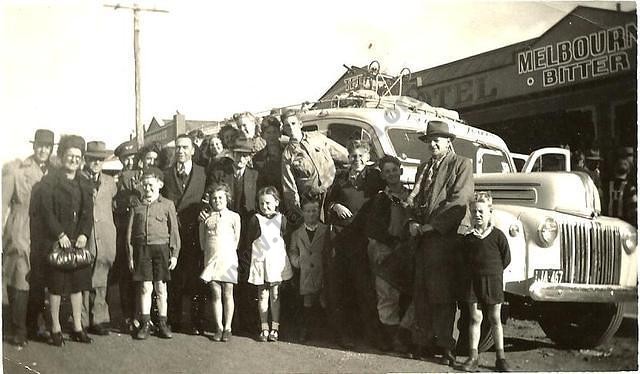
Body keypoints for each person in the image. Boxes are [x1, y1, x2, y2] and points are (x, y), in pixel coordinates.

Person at [407, 120, 474, 366]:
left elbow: (460, 201)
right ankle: (421, 343)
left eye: (438, 139)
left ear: (448, 142)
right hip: (422, 239)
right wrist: (412, 221)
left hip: (446, 239)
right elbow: (414, 201)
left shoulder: (461, 165)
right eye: (430, 140)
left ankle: (447, 348)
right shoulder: (423, 168)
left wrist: (433, 226)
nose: (433, 143)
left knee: (443, 295)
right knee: (421, 292)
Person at [324, 139, 386, 349]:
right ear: (348, 158)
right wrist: (336, 205)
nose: (357, 159)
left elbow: (388, 195)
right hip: (341, 238)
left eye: (361, 156)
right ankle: (344, 335)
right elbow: (328, 201)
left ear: (368, 157)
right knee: (341, 285)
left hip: (363, 238)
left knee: (365, 287)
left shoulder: (375, 176)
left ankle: (373, 335)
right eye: (353, 156)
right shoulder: (341, 176)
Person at [40, 135, 94, 346]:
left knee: (77, 286)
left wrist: (83, 234)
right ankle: (55, 328)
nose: (73, 160)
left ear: (81, 160)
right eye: (69, 155)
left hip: (77, 242)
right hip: (56, 241)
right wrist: (60, 235)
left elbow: (87, 212)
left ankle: (78, 327)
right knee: (55, 286)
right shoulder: (49, 182)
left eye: (77, 156)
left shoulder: (84, 182)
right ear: (61, 156)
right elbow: (46, 212)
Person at [2, 129, 54, 346]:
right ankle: (18, 329)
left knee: (39, 279)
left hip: (44, 232)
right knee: (20, 277)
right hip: (20, 226)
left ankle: (35, 326)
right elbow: (2, 203)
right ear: (34, 147)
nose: (43, 150)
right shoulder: (16, 170)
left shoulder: (56, 172)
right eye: (40, 145)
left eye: (47, 146)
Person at [459, 192, 511, 372]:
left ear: (490, 212)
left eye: (481, 211)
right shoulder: (468, 239)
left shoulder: (498, 236)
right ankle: (473, 357)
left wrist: (493, 273)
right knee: (475, 317)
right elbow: (463, 261)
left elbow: (506, 258)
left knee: (495, 317)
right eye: (473, 212)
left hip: (493, 281)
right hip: (473, 283)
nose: (477, 215)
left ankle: (501, 358)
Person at [126, 167, 181, 340]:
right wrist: (130, 256)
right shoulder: (137, 206)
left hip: (162, 250)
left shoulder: (167, 205)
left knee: (161, 287)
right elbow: (129, 235)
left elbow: (174, 232)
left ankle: (163, 323)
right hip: (143, 250)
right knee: (145, 287)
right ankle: (145, 323)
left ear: (160, 185)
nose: (147, 189)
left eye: (151, 185)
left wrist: (174, 254)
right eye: (145, 185)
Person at [366, 154, 413, 352]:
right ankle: (390, 339)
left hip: (407, 251)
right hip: (386, 251)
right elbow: (374, 228)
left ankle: (406, 335)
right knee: (387, 296)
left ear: (400, 171)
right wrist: (390, 244)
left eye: (394, 170)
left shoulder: (412, 196)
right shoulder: (380, 198)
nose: (392, 174)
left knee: (411, 293)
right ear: (383, 176)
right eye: (387, 171)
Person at [161, 134, 207, 335]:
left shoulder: (203, 173)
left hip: (194, 232)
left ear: (193, 150)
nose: (180, 151)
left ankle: (197, 321)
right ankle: (174, 319)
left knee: (196, 278)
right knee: (174, 277)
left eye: (185, 147)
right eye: (178, 147)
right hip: (173, 233)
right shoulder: (165, 174)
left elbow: (207, 198)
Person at [280, 109, 348, 225]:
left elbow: (342, 153)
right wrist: (300, 214)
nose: (291, 127)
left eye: (293, 123)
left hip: (332, 194)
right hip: (312, 200)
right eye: (287, 125)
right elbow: (289, 188)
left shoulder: (317, 138)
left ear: (300, 124)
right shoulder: (287, 155)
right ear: (284, 129)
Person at [245, 186, 293, 342]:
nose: (264, 207)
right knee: (262, 295)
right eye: (261, 203)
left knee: (275, 295)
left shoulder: (282, 219)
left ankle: (275, 328)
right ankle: (264, 327)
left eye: (268, 203)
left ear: (277, 203)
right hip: (261, 263)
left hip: (276, 263)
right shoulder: (255, 219)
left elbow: (285, 238)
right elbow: (249, 241)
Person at [80, 141, 118, 336]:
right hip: (85, 235)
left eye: (99, 160)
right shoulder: (79, 179)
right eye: (92, 159)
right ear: (86, 160)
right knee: (84, 276)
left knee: (101, 276)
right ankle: (83, 320)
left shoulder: (110, 182)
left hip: (105, 235)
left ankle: (100, 319)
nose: (96, 163)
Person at [199, 183, 241, 342]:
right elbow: (202, 241)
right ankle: (219, 327)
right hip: (211, 258)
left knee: (228, 292)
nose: (217, 201)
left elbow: (236, 239)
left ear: (227, 199)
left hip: (228, 258)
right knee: (215, 293)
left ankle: (228, 327)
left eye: (221, 197)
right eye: (214, 198)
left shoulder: (234, 217)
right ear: (210, 200)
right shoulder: (206, 218)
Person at [288, 198, 329, 343]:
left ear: (318, 212)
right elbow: (292, 250)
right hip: (305, 272)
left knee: (323, 299)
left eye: (314, 211)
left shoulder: (326, 230)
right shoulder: (297, 233)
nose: (311, 214)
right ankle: (305, 330)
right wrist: (297, 261)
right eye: (307, 211)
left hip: (321, 270)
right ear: (303, 213)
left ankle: (323, 332)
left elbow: (330, 250)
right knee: (307, 300)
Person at [111, 140, 142, 333]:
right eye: (125, 159)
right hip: (124, 230)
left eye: (132, 158)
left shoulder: (143, 176)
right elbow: (113, 205)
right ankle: (128, 315)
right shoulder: (117, 180)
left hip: (143, 230)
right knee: (125, 274)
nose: (129, 162)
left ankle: (143, 316)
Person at [603, 153, 637, 226]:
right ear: (628, 170)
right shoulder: (630, 188)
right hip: (625, 227)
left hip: (606, 225)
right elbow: (634, 212)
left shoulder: (605, 186)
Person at [253, 116, 284, 194]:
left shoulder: (287, 151)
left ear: (279, 133)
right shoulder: (258, 158)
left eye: (274, 132)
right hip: (270, 200)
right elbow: (260, 185)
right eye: (268, 133)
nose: (272, 136)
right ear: (263, 135)